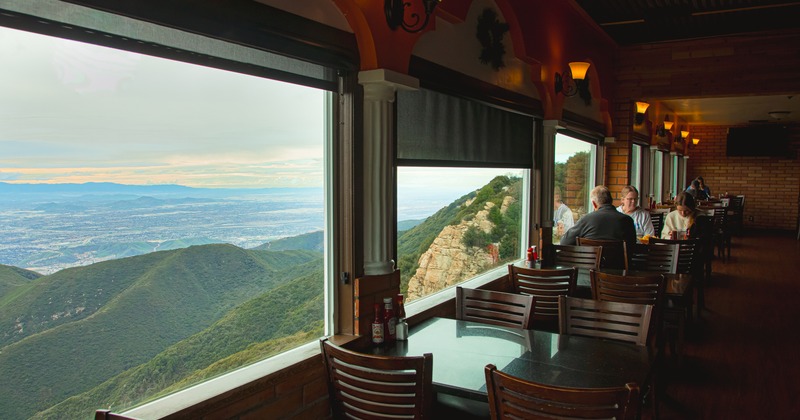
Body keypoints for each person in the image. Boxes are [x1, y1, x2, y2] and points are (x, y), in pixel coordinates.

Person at [560, 185, 636, 253]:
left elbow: (564, 242)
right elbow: (632, 247)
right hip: (618, 267)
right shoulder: (627, 221)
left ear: (594, 204)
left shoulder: (586, 219)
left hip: (588, 267)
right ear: (611, 201)